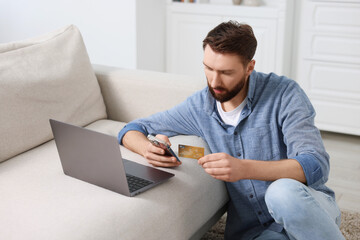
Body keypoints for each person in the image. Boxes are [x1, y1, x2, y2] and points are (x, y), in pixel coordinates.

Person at [118, 21, 344, 240]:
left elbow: (316, 165)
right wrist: (147, 148)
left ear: (249, 68)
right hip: (255, 231)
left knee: (281, 192)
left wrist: (243, 168)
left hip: (305, 208)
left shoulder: (284, 94)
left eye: (226, 72)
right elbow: (133, 128)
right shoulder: (198, 107)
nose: (214, 81)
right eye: (208, 68)